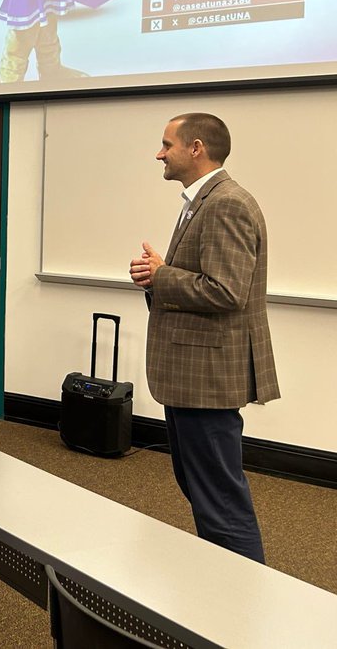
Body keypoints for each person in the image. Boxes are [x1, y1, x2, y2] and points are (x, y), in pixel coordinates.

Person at [129, 113, 279, 563]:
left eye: (167, 144)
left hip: (207, 379)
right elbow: (202, 280)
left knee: (221, 503)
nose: (159, 154)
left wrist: (162, 275)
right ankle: (222, 583)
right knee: (205, 492)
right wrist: (158, 278)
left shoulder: (226, 203)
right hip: (191, 376)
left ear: (196, 148)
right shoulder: (202, 201)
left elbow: (226, 291)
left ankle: (243, 593)